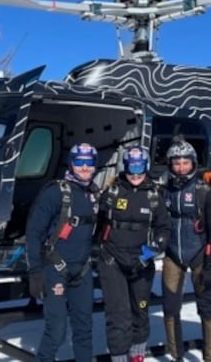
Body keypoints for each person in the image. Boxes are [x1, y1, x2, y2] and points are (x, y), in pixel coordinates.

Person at [26, 142, 101, 362]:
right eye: (79, 162)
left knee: (84, 328)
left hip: (83, 269)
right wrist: (35, 271)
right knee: (56, 329)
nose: (85, 168)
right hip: (56, 268)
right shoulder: (56, 192)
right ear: (71, 163)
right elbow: (33, 233)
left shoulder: (94, 194)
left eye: (89, 163)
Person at [97, 145, 170, 362]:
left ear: (146, 168)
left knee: (140, 311)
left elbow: (163, 230)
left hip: (141, 261)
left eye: (140, 171)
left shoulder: (154, 196)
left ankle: (137, 354)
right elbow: (96, 223)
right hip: (113, 260)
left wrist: (147, 255)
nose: (135, 176)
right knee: (118, 315)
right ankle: (119, 356)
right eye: (131, 171)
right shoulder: (112, 192)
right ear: (124, 169)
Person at [161, 136, 211, 362]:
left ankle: (210, 357)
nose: (181, 167)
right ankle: (176, 355)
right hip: (172, 254)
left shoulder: (204, 191)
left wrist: (210, 262)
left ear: (193, 163)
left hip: (199, 254)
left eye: (185, 162)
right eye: (176, 163)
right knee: (170, 307)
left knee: (205, 305)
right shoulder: (164, 189)